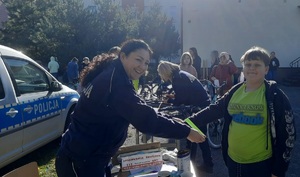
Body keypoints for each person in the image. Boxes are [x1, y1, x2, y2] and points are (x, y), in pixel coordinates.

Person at [55, 39, 206, 177]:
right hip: (80, 159)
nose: (143, 67)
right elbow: (146, 120)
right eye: (138, 60)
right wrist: (186, 131)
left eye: (146, 63)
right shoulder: (117, 83)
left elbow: (140, 107)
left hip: (89, 154)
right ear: (123, 56)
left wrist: (173, 121)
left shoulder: (113, 71)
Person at [186, 46, 296, 177]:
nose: (251, 68)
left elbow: (288, 134)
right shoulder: (234, 92)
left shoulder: (275, 95)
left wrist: (279, 169)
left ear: (266, 69)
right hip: (233, 162)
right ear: (243, 68)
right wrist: (187, 123)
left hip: (261, 165)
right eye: (248, 64)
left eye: (257, 64)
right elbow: (214, 110)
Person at [157, 61, 214, 173]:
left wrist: (170, 100)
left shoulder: (177, 78)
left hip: (198, 108)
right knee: (194, 136)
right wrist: (173, 97)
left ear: (165, 72)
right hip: (202, 105)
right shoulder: (181, 74)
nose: (162, 77)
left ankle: (207, 165)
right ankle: (193, 162)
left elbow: (181, 100)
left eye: (161, 74)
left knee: (199, 137)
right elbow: (185, 94)